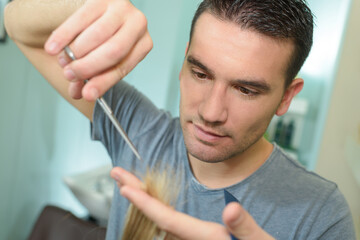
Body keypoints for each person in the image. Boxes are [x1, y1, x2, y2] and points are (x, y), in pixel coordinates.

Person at [4, 0, 356, 239]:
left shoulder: (320, 213)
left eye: (246, 90)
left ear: (286, 96)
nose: (210, 112)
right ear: (184, 60)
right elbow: (17, 24)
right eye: (201, 73)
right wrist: (83, 5)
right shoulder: (141, 132)